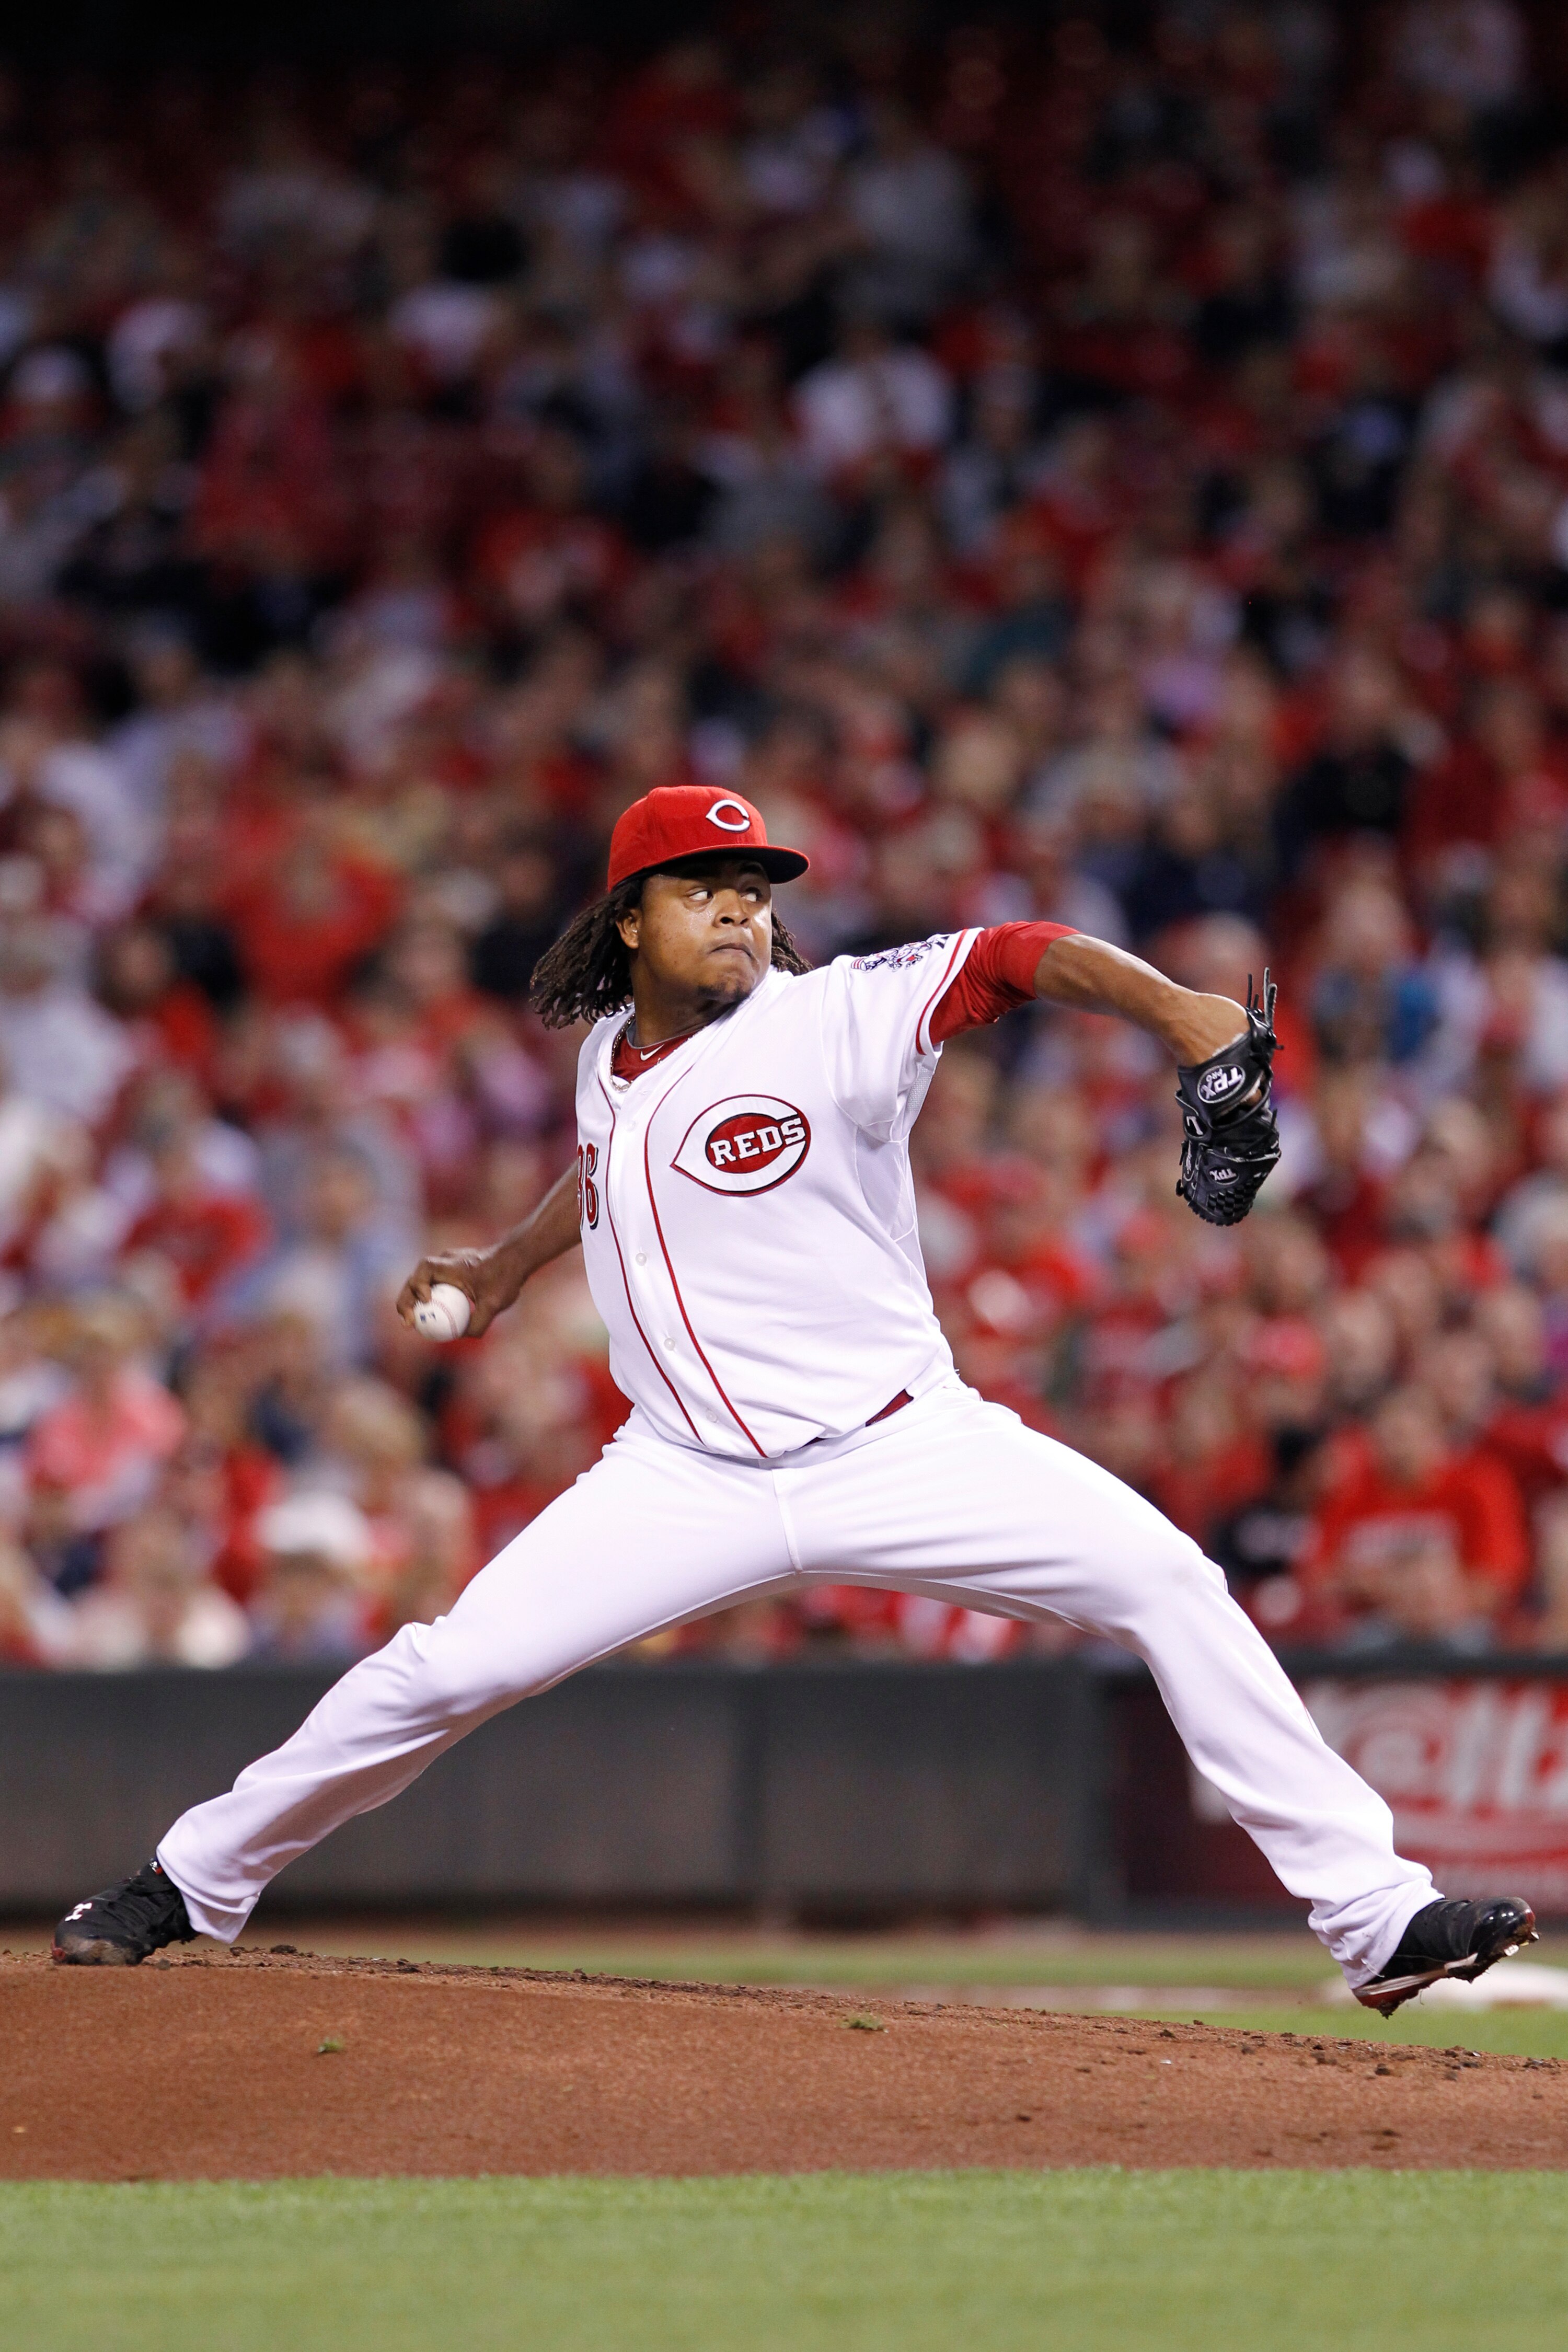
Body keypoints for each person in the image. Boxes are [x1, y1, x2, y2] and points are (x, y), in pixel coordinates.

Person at [54, 785, 1536, 2013]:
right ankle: (190, 1880)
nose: (742, 908)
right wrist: (508, 1268)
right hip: (682, 1476)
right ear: (631, 916)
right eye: (707, 886)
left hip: (906, 1448)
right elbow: (610, 1168)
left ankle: (1377, 1919)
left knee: (1169, 1580)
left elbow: (1022, 954)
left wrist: (1184, 1013)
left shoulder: (835, 1017)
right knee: (442, 1671)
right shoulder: (604, 1056)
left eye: (755, 887)